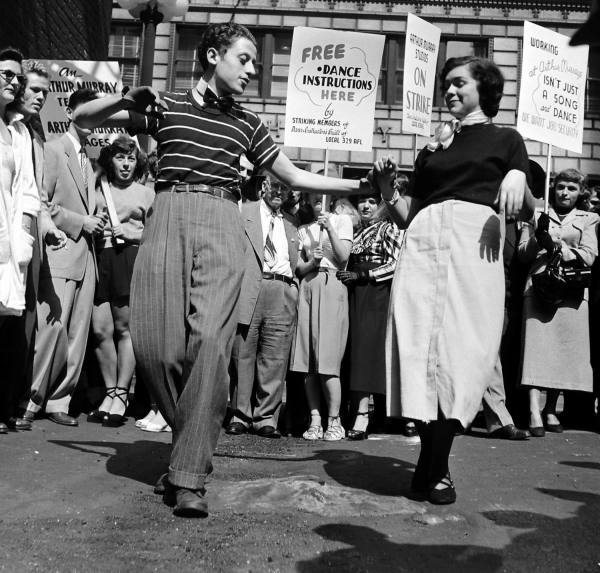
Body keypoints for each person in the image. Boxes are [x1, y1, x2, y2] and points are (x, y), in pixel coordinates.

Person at [73, 22, 370, 517]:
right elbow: (81, 117)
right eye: (246, 59)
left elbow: (291, 174)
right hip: (166, 217)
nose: (253, 71)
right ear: (213, 56)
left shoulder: (248, 124)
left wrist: (355, 188)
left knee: (210, 345)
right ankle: (189, 440)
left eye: (255, 62)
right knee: (153, 347)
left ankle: (188, 474)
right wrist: (126, 98)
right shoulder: (164, 105)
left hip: (221, 220)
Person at [375, 56, 534, 504]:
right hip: (423, 243)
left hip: (473, 244)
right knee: (420, 353)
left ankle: (432, 463)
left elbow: (528, 207)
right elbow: (409, 216)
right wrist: (389, 192)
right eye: (445, 84)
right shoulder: (430, 150)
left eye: (458, 82)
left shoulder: (508, 140)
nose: (448, 90)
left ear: (484, 87)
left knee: (465, 352)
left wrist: (519, 173)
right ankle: (437, 467)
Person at [21, 88, 107, 427]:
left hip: (87, 259)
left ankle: (59, 400)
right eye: (87, 110)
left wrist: (94, 221)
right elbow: (41, 202)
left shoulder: (91, 161)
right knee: (51, 329)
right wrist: (79, 221)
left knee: (77, 335)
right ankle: (30, 399)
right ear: (70, 112)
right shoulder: (54, 150)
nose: (93, 119)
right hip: (60, 251)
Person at [5, 59, 67, 431]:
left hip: (29, 240)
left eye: (46, 91)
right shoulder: (10, 128)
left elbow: (36, 195)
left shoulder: (34, 134)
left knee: (23, 323)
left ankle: (12, 402)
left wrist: (47, 227)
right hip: (8, 235)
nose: (42, 97)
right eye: (36, 89)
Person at [518, 169, 598, 436]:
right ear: (553, 189)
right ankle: (533, 409)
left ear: (580, 193)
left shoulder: (590, 218)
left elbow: (588, 256)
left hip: (571, 292)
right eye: (561, 187)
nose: (565, 192)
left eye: (571, 188)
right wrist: (538, 241)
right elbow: (521, 253)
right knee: (536, 350)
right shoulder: (537, 215)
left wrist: (559, 248)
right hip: (539, 287)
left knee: (561, 353)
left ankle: (551, 408)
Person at [88, 135, 155, 427]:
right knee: (101, 329)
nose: (126, 164)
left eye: (130, 158)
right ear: (110, 160)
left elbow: (155, 233)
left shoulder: (146, 193)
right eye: (119, 157)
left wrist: (132, 234)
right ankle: (110, 389)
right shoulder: (97, 186)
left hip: (128, 258)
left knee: (124, 329)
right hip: (99, 258)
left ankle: (122, 394)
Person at [226, 174, 298, 439]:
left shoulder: (292, 222)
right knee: (242, 354)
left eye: (285, 188)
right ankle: (239, 415)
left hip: (281, 289)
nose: (280, 192)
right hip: (249, 288)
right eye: (276, 186)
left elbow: (297, 262)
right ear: (264, 186)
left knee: (274, 357)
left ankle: (266, 417)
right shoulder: (243, 211)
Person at [336, 192, 402, 440]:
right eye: (362, 201)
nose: (366, 205)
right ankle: (360, 411)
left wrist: (363, 276)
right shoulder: (357, 230)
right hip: (355, 294)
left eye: (372, 201)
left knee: (369, 353)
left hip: (377, 295)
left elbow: (396, 263)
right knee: (355, 352)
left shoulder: (389, 228)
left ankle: (364, 414)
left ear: (382, 205)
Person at [290, 193, 353, 441]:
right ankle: (315, 419)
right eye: (315, 200)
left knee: (328, 360)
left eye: (322, 199)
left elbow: (344, 257)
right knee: (308, 360)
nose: (319, 203)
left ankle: (334, 420)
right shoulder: (304, 229)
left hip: (331, 282)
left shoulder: (341, 221)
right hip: (309, 285)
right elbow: (299, 268)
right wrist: (311, 261)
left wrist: (330, 228)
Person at [0, 48, 40, 433]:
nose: (13, 82)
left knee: (9, 326)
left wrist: (25, 233)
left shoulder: (18, 130)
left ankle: (4, 405)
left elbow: (27, 189)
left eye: (16, 76)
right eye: (5, 74)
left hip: (10, 243)